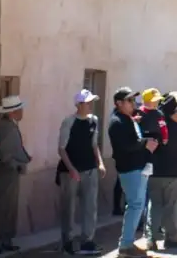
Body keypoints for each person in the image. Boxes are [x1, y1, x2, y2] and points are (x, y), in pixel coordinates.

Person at [108, 88, 158, 257]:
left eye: (133, 100)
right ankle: (126, 245)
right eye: (129, 101)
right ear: (119, 103)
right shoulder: (117, 122)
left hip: (137, 167)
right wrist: (145, 143)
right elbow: (125, 145)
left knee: (137, 204)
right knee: (135, 205)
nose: (133, 104)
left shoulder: (126, 119)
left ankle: (128, 243)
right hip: (130, 168)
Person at [57, 89, 107, 256]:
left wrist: (100, 163)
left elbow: (94, 144)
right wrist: (71, 169)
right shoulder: (69, 122)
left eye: (91, 102)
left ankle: (88, 240)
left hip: (90, 169)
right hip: (70, 170)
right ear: (78, 105)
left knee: (90, 207)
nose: (90, 105)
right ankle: (68, 241)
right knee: (69, 207)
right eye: (87, 102)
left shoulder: (94, 120)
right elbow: (62, 149)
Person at [146, 94, 177, 251]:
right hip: (174, 173)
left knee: (155, 206)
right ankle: (170, 238)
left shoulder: (155, 125)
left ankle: (151, 238)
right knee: (172, 207)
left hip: (155, 171)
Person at [0, 96, 31, 255]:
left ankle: (6, 240)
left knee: (10, 209)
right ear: (13, 112)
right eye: (20, 109)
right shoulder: (7, 128)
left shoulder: (10, 125)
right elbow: (5, 155)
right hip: (6, 173)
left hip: (11, 173)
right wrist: (18, 165)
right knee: (2, 208)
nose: (22, 112)